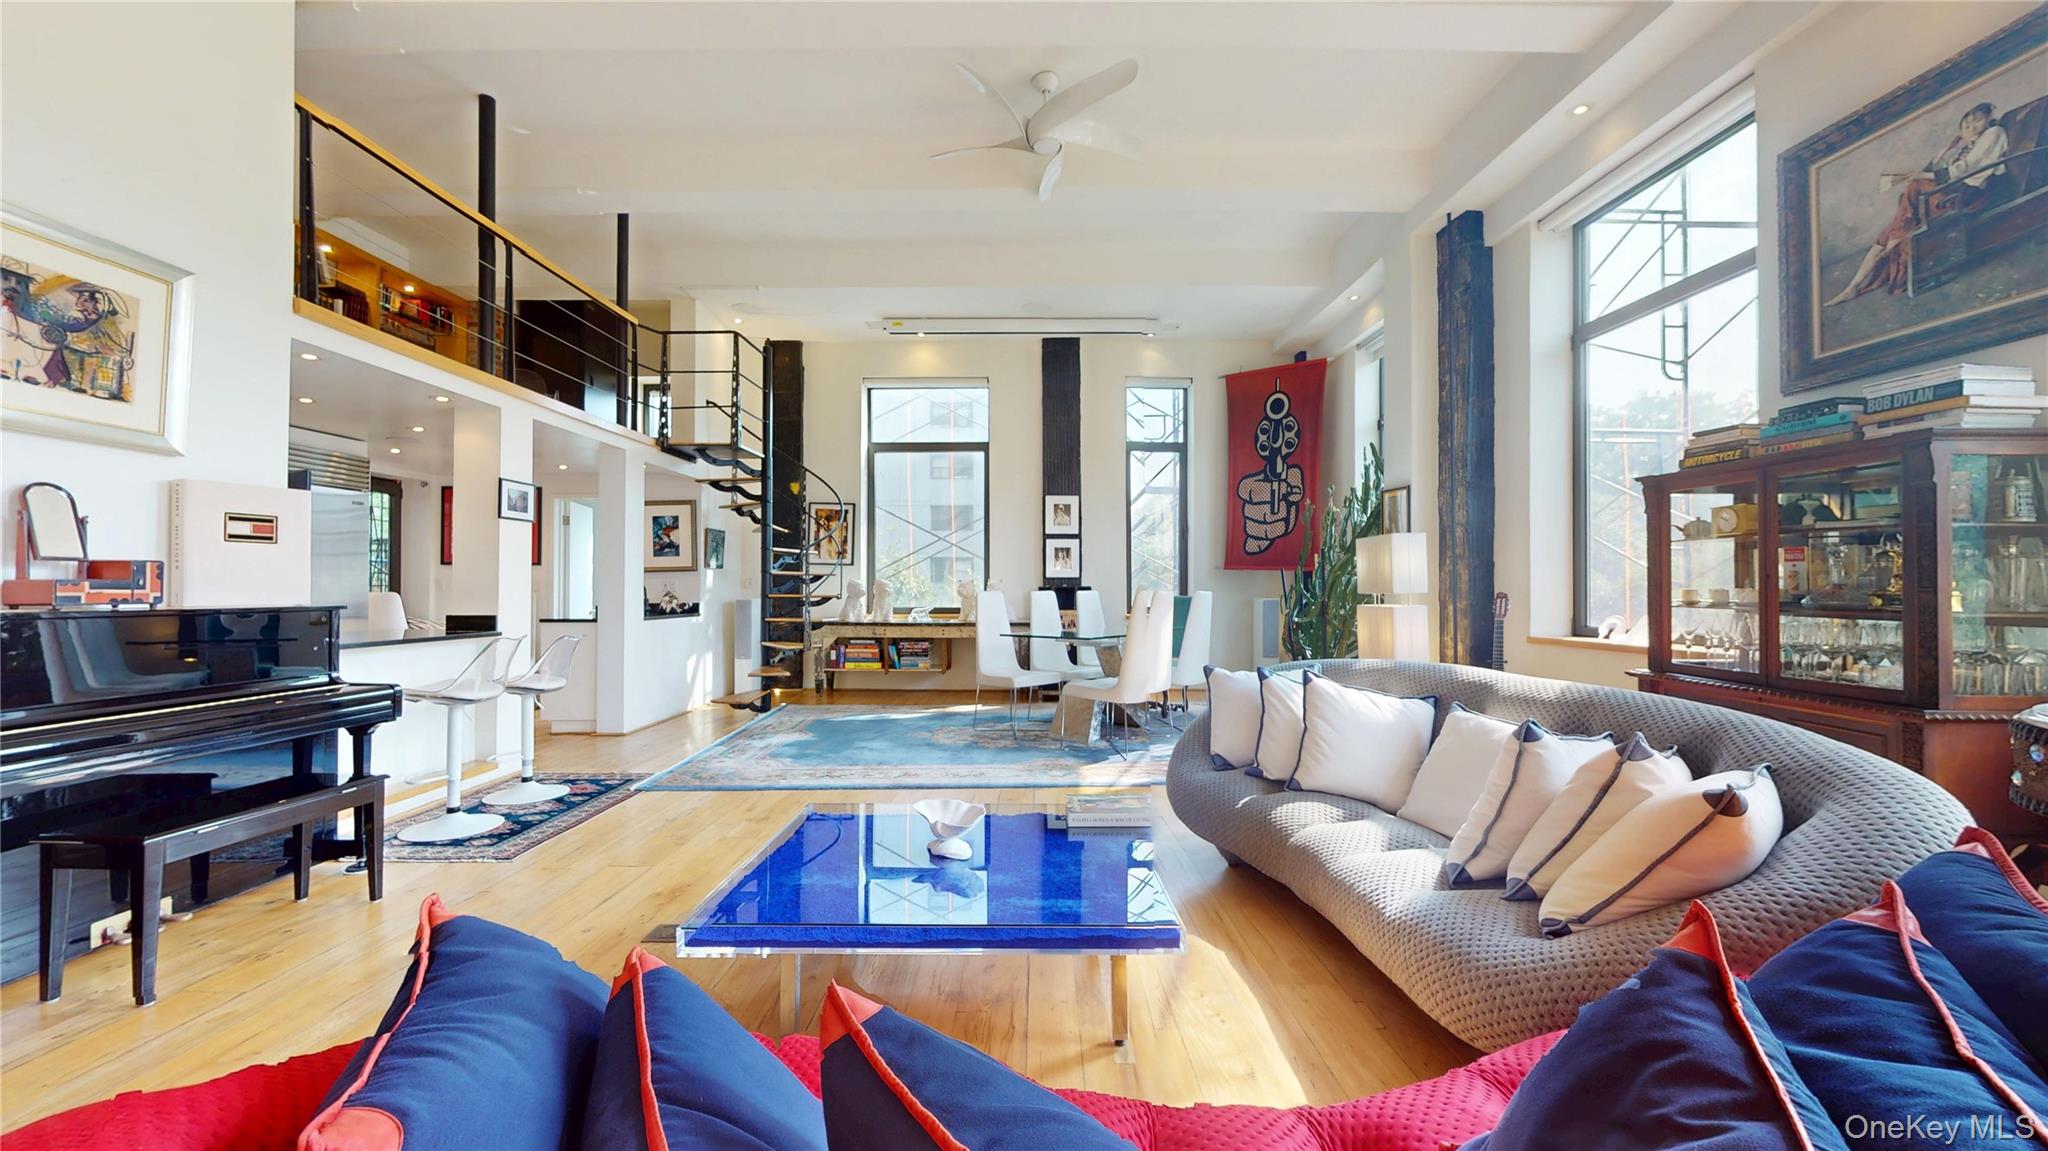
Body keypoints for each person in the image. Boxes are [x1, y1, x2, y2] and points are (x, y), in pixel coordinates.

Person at [1825, 102, 2008, 305]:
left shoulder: (1994, 133)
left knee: (1916, 185)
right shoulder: (1964, 142)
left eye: (1978, 121)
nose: (1972, 126)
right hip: (1947, 191)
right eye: (1968, 122)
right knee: (1888, 233)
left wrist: (1924, 173)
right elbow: (1938, 167)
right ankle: (1852, 287)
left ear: (1987, 120)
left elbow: (1963, 169)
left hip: (1966, 193)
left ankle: (1899, 231)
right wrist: (1949, 149)